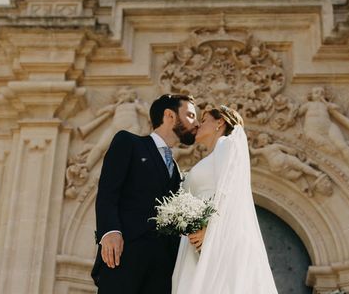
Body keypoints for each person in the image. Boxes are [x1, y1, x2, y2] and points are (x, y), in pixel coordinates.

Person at [91, 94, 200, 294]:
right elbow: (108, 190)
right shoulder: (129, 142)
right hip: (124, 256)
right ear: (170, 115)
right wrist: (110, 232)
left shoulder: (176, 170)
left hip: (162, 270)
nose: (197, 123)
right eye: (191, 115)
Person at [172, 106, 278, 294]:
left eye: (204, 120)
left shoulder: (226, 144)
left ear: (219, 122)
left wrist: (210, 229)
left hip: (210, 235)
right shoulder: (212, 156)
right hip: (196, 238)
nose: (198, 125)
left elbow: (228, 190)